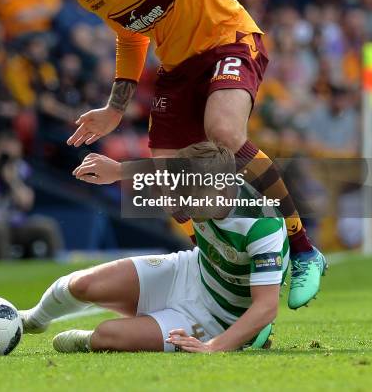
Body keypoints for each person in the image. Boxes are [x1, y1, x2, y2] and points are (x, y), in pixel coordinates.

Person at [18, 0, 331, 308]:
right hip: (178, 69)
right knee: (169, 187)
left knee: (225, 133)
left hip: (227, 40)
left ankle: (303, 248)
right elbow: (131, 36)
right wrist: (116, 109)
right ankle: (212, 270)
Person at [20, 142, 288, 353]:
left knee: (106, 335)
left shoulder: (261, 224)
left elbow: (266, 307)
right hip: (189, 270)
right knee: (81, 285)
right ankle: (32, 319)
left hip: (216, 320)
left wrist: (212, 347)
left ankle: (88, 341)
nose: (183, 205)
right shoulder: (202, 178)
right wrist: (117, 171)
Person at [0, 131, 63, 259]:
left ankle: (55, 270)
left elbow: (27, 203)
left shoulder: (20, 169)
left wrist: (12, 180)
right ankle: (4, 272)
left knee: (47, 226)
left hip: (15, 225)